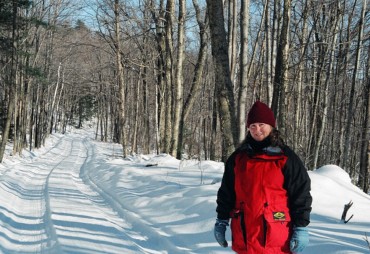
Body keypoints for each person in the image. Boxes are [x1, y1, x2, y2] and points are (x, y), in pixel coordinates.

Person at [214, 101, 312, 254]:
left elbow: (301, 193)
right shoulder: (238, 158)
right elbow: (227, 192)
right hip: (244, 235)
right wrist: (221, 220)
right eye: (252, 125)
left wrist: (301, 227)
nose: (257, 129)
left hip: (276, 236)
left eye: (261, 124)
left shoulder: (285, 157)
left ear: (271, 126)